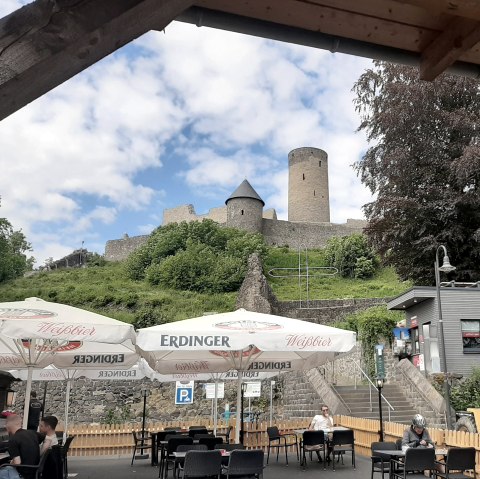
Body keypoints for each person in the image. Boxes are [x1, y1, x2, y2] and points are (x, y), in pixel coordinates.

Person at [0, 414, 40, 479]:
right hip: (33, 472)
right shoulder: (32, 433)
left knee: (5, 467)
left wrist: (12, 461)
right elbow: (47, 439)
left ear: (8, 425)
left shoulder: (13, 439)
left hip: (21, 475)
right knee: (7, 467)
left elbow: (17, 463)